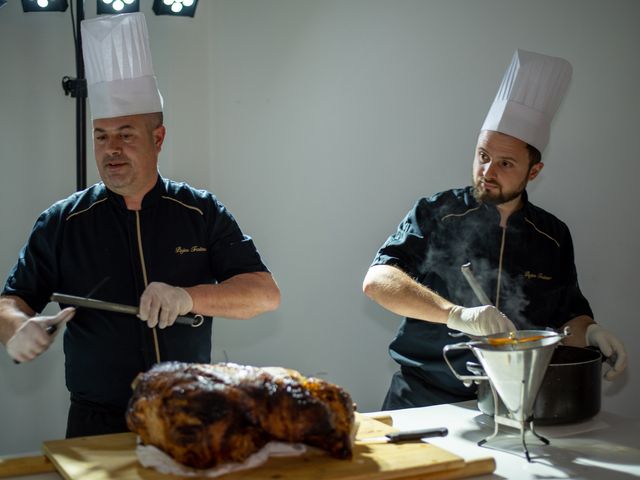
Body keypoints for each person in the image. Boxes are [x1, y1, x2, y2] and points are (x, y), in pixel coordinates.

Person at [0, 13, 280, 437]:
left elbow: (263, 295)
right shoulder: (62, 222)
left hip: (190, 416)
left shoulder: (200, 212)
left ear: (158, 138)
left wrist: (187, 298)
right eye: (101, 136)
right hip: (98, 423)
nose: (111, 149)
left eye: (126, 134)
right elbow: (10, 300)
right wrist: (18, 328)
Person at [362, 49, 628, 410]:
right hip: (424, 400)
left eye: (505, 163)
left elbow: (570, 320)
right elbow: (378, 282)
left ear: (533, 171)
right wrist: (457, 315)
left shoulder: (552, 236)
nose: (487, 172)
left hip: (516, 405)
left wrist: (594, 333)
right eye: (482, 155)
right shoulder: (435, 213)